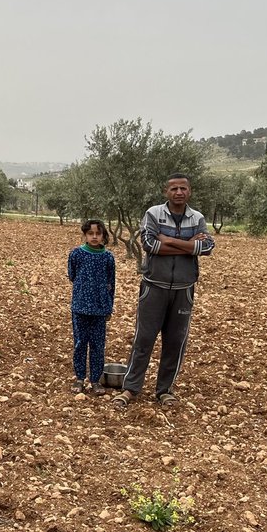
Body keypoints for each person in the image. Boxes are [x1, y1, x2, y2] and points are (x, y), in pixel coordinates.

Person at [112, 173, 215, 409]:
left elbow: (207, 247)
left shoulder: (196, 217)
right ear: (165, 192)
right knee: (144, 339)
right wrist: (189, 246)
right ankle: (130, 388)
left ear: (189, 191)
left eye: (183, 189)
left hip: (184, 289)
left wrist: (168, 240)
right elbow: (149, 245)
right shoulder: (153, 214)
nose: (179, 192)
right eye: (174, 189)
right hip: (154, 287)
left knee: (175, 341)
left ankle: (165, 390)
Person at [67, 219, 116, 394]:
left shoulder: (108, 257)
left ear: (103, 235)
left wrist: (109, 307)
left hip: (100, 308)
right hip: (80, 307)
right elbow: (72, 275)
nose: (94, 237)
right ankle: (79, 378)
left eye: (98, 233)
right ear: (85, 235)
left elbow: (111, 283)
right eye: (91, 234)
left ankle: (95, 380)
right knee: (80, 343)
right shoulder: (76, 254)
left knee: (97, 345)